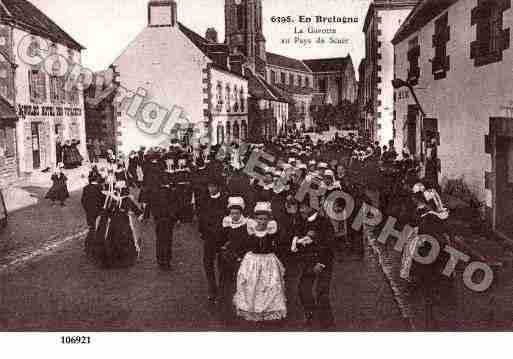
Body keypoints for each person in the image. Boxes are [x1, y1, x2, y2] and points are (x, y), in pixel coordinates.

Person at [233, 201, 287, 324]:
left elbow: (280, 245)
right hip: (252, 261)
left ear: (268, 219)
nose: (262, 222)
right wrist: (240, 256)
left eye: (264, 219)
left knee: (271, 285)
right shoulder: (250, 231)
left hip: (268, 262)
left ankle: (268, 310)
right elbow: (243, 244)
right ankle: (253, 309)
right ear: (255, 219)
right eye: (259, 219)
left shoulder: (272, 232)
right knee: (252, 284)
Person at [293, 199, 335, 330]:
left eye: (304, 207)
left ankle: (327, 324)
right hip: (308, 261)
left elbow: (329, 246)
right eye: (300, 207)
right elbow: (297, 238)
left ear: (313, 207)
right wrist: (297, 242)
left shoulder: (324, 222)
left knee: (321, 292)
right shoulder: (301, 221)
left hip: (323, 262)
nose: (301, 210)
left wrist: (321, 263)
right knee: (303, 290)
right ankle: (311, 317)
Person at [98, 181, 143, 268]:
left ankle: (114, 259)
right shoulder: (128, 199)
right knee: (125, 239)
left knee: (113, 240)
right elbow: (139, 214)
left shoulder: (111, 199)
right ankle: (125, 259)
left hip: (114, 223)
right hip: (124, 223)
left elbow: (106, 212)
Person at [198, 175, 227, 303]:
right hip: (209, 238)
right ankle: (212, 288)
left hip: (222, 238)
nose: (211, 189)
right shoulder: (203, 199)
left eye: (213, 186)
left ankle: (222, 290)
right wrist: (204, 232)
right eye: (209, 186)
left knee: (222, 265)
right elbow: (201, 218)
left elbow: (227, 219)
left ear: (218, 187)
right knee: (207, 263)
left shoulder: (225, 200)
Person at [219, 196, 248, 321]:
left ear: (241, 213)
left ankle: (239, 305)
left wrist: (241, 256)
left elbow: (248, 242)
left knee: (239, 281)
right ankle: (225, 306)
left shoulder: (246, 224)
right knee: (225, 280)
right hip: (227, 257)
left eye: (237, 213)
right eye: (232, 213)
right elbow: (222, 238)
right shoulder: (226, 222)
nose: (234, 216)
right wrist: (224, 246)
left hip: (239, 257)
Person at [81, 171, 106, 255]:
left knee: (92, 228)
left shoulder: (86, 188)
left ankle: (89, 248)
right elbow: (103, 200)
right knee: (95, 229)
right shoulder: (99, 188)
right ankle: (90, 248)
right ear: (97, 179)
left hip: (89, 212)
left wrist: (87, 209)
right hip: (98, 212)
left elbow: (83, 201)